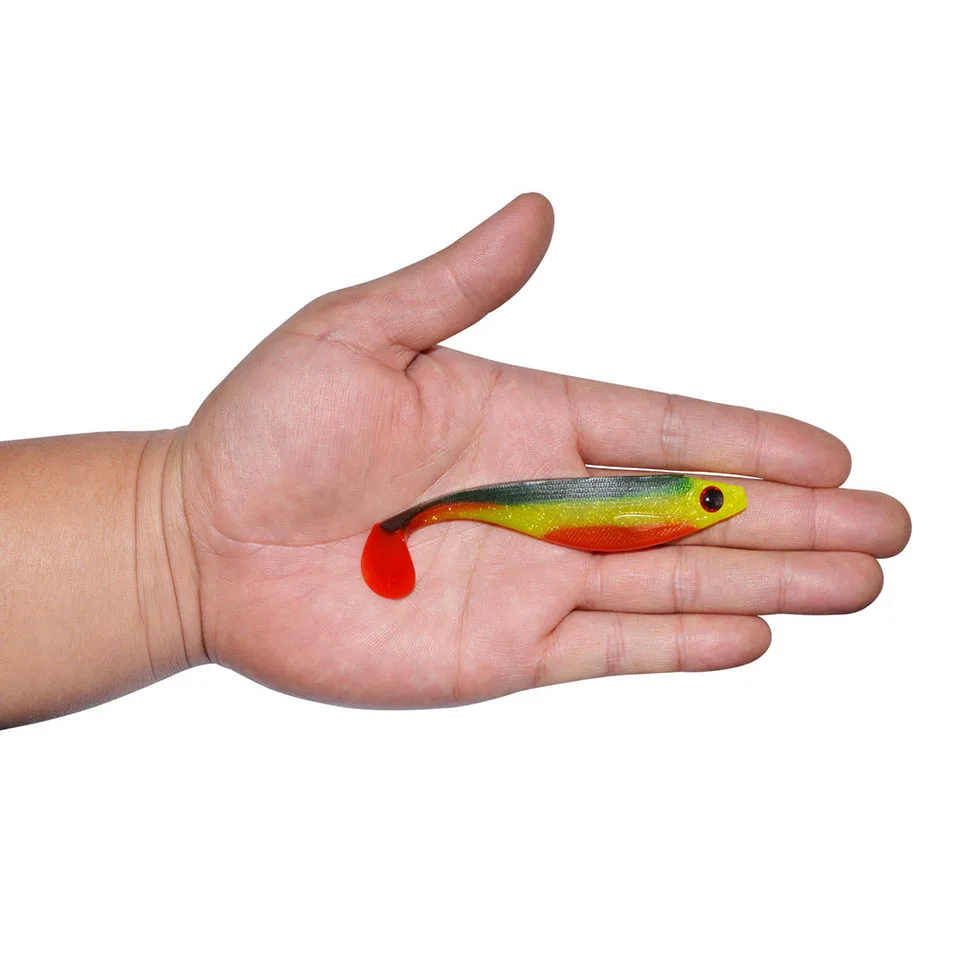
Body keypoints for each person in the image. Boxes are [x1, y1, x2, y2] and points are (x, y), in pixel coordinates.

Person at [0, 194, 911, 727]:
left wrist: (175, 541)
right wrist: (182, 538)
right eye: (710, 499)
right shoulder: (620, 500)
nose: (717, 504)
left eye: (707, 502)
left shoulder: (664, 506)